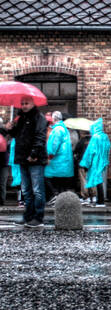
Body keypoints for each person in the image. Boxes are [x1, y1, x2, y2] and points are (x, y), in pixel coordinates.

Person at [2, 95, 49, 226]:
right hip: (23, 158)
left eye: (26, 103)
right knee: (26, 190)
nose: (23, 106)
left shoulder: (39, 118)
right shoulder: (21, 118)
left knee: (37, 190)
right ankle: (28, 216)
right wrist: (10, 128)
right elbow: (17, 135)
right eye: (22, 103)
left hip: (35, 159)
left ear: (33, 104)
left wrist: (34, 154)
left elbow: (40, 137)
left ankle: (38, 218)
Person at [79, 117, 111, 208]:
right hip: (102, 161)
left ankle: (100, 201)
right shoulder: (104, 136)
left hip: (95, 161)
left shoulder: (95, 137)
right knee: (99, 180)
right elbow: (108, 147)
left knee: (97, 180)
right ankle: (100, 200)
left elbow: (90, 151)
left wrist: (85, 163)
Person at [45, 111, 75, 203]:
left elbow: (54, 145)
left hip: (57, 160)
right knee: (61, 180)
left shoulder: (57, 130)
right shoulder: (64, 129)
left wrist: (49, 155)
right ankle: (60, 199)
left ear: (54, 119)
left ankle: (55, 195)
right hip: (63, 161)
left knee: (46, 175)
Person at [0, 128, 8, 207]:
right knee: (2, 183)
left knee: (2, 183)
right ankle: (2, 200)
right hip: (4, 163)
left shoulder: (2, 131)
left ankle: (2, 200)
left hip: (4, 163)